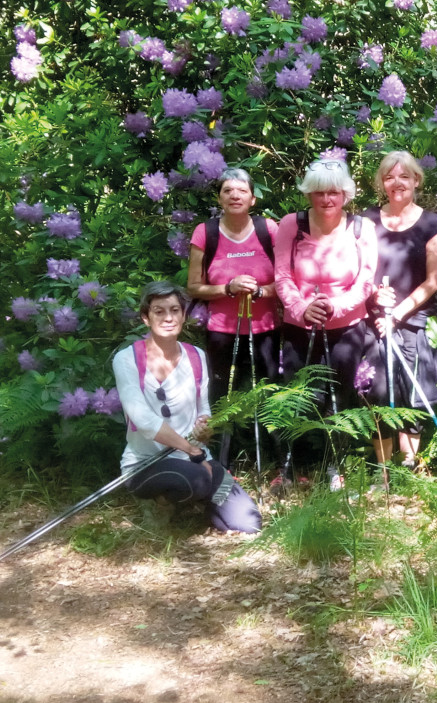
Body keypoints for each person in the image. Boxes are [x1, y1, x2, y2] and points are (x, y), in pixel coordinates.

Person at [113, 281, 261, 533]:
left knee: (249, 523)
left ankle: (204, 502)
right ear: (145, 318)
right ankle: (158, 503)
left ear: (183, 316)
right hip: (146, 463)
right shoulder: (126, 359)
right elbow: (144, 420)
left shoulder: (196, 356)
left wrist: (205, 426)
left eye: (175, 310)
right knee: (197, 479)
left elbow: (204, 409)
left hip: (196, 459)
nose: (168, 317)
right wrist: (191, 449)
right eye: (159, 311)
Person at [274, 157, 381, 488]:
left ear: (346, 194)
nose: (326, 200)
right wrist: (301, 306)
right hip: (299, 327)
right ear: (308, 194)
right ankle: (292, 468)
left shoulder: (363, 229)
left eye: (334, 192)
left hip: (347, 328)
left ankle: (334, 466)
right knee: (297, 396)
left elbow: (365, 281)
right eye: (319, 193)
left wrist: (336, 306)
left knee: (340, 397)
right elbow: (281, 274)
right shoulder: (292, 225)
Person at [186, 168, 279, 466]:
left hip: (265, 330)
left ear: (253, 198)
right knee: (220, 399)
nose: (235, 195)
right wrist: (228, 288)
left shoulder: (269, 229)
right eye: (228, 190)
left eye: (242, 191)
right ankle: (218, 463)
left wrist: (262, 292)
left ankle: (278, 462)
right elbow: (193, 286)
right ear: (220, 198)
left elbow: (289, 281)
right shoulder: (205, 232)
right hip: (220, 332)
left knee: (270, 396)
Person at [366, 151, 437, 468]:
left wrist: (398, 314)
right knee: (378, 391)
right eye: (389, 176)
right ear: (382, 183)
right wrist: (374, 293)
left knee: (414, 393)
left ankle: (408, 466)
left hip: (414, 320)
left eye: (404, 176)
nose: (396, 182)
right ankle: (383, 469)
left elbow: (434, 279)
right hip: (374, 321)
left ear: (416, 180)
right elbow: (356, 272)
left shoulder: (430, 223)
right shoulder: (367, 220)